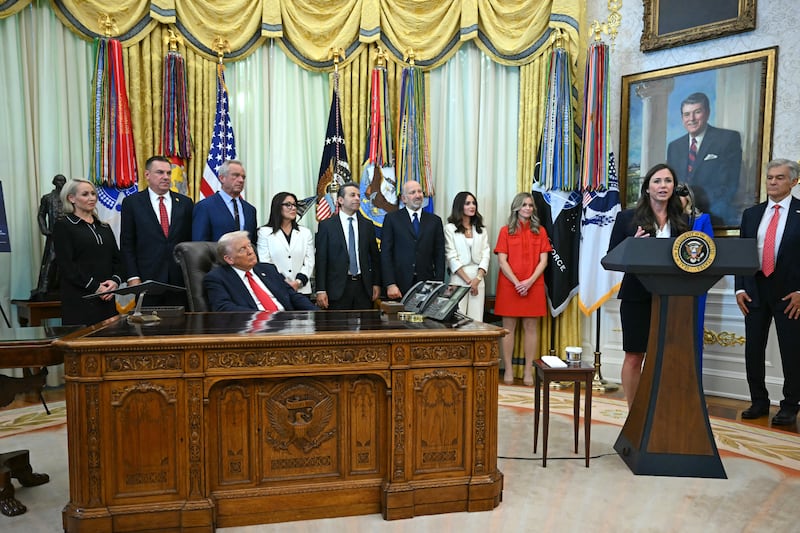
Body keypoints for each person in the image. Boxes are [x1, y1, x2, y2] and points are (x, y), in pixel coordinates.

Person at [609, 163, 689, 408]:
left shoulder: (682, 221)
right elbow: (611, 257)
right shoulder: (627, 218)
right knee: (635, 356)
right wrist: (632, 245)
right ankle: (634, 413)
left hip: (671, 297)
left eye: (667, 181)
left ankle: (659, 412)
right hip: (636, 296)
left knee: (664, 357)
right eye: (657, 181)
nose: (663, 186)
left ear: (674, 187)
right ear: (647, 188)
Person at [735, 158, 800, 426]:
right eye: (770, 177)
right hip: (755, 291)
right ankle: (758, 401)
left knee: (792, 350)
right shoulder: (751, 214)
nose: (773, 182)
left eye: (780, 178)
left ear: (794, 182)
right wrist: (740, 287)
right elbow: (741, 254)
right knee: (753, 350)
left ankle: (790, 406)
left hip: (790, 294)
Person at [120, 155, 194, 306]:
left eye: (168, 173)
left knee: (182, 326)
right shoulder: (132, 203)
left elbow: (190, 241)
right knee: (149, 326)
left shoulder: (185, 203)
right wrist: (133, 277)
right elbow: (127, 244)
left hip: (179, 281)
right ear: (147, 175)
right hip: (148, 280)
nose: (166, 177)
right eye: (160, 172)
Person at [494, 192, 551, 386]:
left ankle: (528, 371)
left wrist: (528, 282)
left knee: (530, 328)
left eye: (530, 205)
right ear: (516, 207)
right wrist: (517, 282)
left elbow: (544, 261)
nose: (528, 208)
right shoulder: (505, 231)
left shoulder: (540, 231)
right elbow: (502, 260)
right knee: (508, 329)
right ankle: (508, 369)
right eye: (524, 205)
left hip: (533, 285)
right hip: (510, 285)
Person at [53, 179, 125, 326]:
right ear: (71, 198)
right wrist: (96, 287)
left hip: (107, 300)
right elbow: (67, 266)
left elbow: (118, 260)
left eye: (93, 193)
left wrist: (115, 282)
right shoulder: (64, 226)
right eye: (85, 194)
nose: (92, 198)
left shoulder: (104, 227)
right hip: (79, 302)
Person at [666, 92, 742, 227]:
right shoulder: (674, 146)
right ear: (682, 118)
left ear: (707, 113)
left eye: (697, 112)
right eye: (687, 114)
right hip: (680, 217)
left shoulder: (727, 139)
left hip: (715, 211)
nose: (692, 118)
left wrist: (698, 207)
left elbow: (730, 183)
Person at [204, 231, 317, 312]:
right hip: (252, 329)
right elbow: (223, 308)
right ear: (229, 259)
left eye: (249, 245)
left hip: (287, 324)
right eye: (242, 249)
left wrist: (317, 314)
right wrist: (262, 317)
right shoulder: (217, 278)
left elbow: (292, 295)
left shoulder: (268, 269)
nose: (250, 251)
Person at [315, 182, 381, 309]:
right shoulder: (327, 226)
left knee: (366, 326)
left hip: (363, 287)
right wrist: (321, 290)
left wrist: (376, 283)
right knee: (339, 327)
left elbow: (375, 258)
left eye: (358, 195)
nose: (357, 198)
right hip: (337, 288)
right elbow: (321, 259)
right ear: (340, 200)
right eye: (352, 195)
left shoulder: (367, 225)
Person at [381, 180, 445, 299]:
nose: (418, 195)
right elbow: (386, 253)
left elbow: (439, 255)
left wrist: (438, 283)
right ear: (404, 198)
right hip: (399, 285)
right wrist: (390, 283)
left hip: (427, 284)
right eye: (412, 192)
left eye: (420, 191)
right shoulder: (392, 219)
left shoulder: (435, 221)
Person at [676, 183, 713, 364]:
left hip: (695, 283)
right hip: (666, 284)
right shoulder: (662, 221)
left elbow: (709, 250)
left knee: (692, 332)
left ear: (689, 197)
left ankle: (692, 385)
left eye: (681, 195)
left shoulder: (701, 220)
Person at [256, 192, 315, 296]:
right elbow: (265, 261)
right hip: (276, 290)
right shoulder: (264, 232)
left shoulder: (305, 233)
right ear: (278, 207)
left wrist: (298, 282)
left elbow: (309, 261)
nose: (293, 208)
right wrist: (283, 282)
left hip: (301, 290)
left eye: (294, 205)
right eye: (288, 205)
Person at [444, 191, 490, 321]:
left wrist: (477, 279)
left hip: (478, 278)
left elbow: (486, 255)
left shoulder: (481, 229)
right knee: (458, 319)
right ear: (459, 206)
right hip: (459, 279)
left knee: (476, 320)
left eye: (474, 203)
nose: (472, 206)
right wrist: (469, 282)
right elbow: (451, 256)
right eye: (468, 203)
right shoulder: (450, 228)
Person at [192, 159, 257, 245]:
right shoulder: (205, 207)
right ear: (222, 178)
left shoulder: (250, 210)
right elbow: (199, 245)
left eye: (243, 177)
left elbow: (253, 243)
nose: (241, 180)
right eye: (235, 175)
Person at [32, 173, 67, 299]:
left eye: (63, 180)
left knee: (68, 261)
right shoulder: (47, 198)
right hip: (53, 234)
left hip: (68, 235)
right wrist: (44, 229)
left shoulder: (69, 198)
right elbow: (41, 215)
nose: (61, 182)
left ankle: (66, 287)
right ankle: (43, 288)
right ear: (54, 182)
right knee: (51, 260)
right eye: (59, 180)